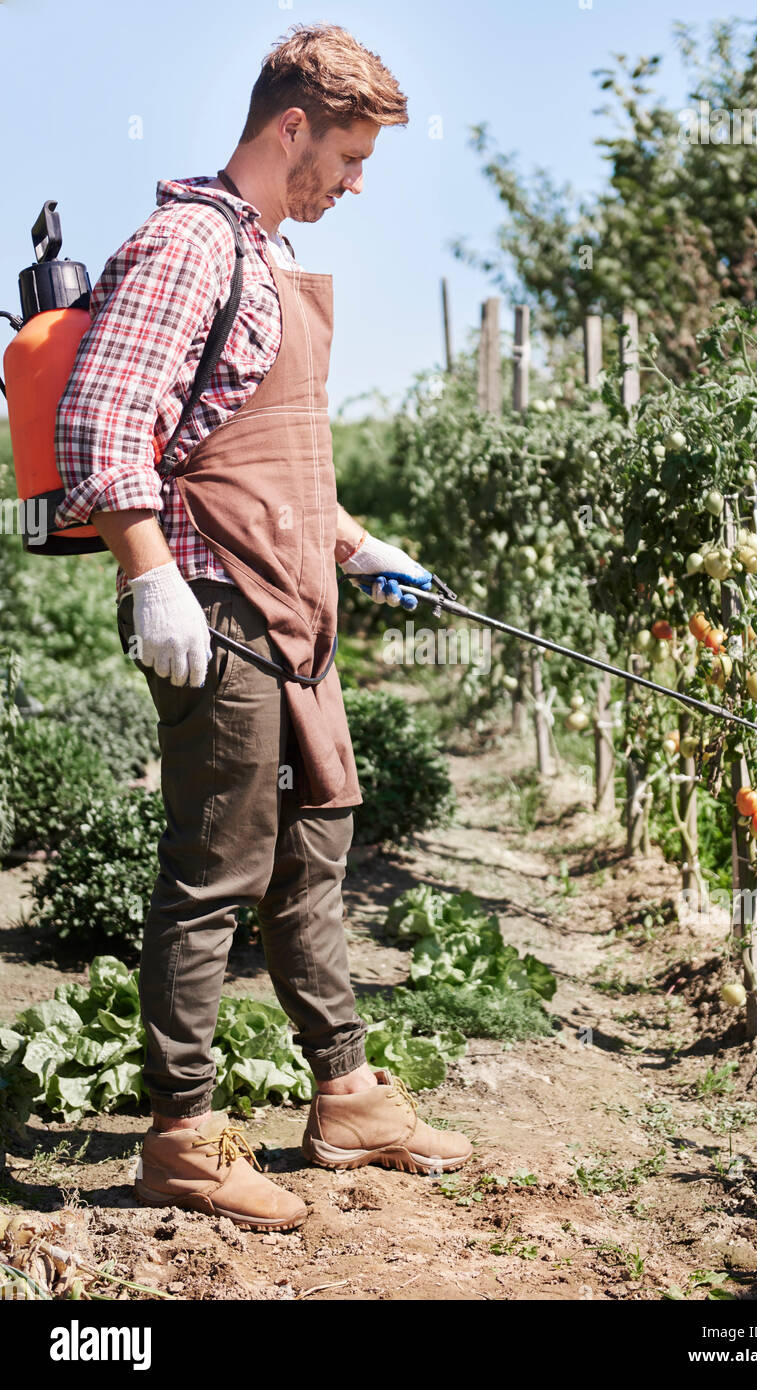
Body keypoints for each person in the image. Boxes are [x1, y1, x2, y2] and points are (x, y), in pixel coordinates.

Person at [54, 22, 472, 1232]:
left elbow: (257, 451)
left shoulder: (262, 251)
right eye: (346, 157)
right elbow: (104, 416)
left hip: (296, 605)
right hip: (217, 609)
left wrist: (358, 543)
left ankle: (343, 1093)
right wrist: (148, 578)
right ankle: (183, 1136)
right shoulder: (190, 242)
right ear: (290, 126)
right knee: (217, 866)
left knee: (315, 850)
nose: (355, 184)